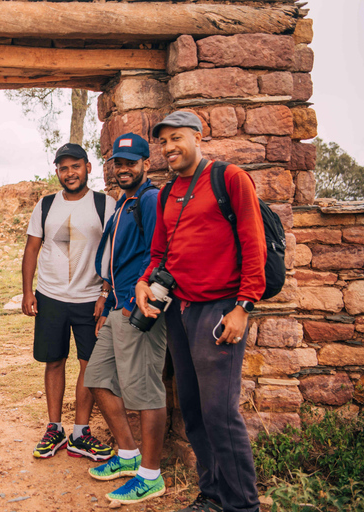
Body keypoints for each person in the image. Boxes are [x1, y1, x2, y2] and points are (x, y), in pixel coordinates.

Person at [135, 111, 266, 512]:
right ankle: (211, 495)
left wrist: (244, 307)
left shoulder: (229, 179)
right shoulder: (169, 191)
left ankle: (243, 505)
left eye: (176, 138)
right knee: (192, 411)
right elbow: (161, 252)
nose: (169, 147)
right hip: (180, 312)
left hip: (219, 311)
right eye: (163, 142)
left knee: (220, 414)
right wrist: (143, 282)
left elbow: (253, 245)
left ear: (197, 137)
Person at [84, 133, 168, 506]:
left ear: (146, 165)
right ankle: (129, 455)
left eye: (131, 162)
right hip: (117, 305)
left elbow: (161, 253)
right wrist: (105, 295)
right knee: (97, 378)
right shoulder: (124, 203)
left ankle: (150, 477)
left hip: (139, 310)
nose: (123, 168)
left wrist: (142, 290)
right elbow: (114, 257)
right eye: (118, 162)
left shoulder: (149, 200)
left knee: (145, 390)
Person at [21, 142, 117, 461]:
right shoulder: (46, 205)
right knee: (54, 361)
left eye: (75, 165)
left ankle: (80, 433)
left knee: (89, 365)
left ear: (88, 167)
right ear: (57, 172)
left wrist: (106, 293)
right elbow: (32, 249)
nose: (70, 172)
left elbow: (114, 252)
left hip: (91, 300)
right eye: (63, 168)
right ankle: (54, 428)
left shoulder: (106, 204)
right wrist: (27, 291)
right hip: (50, 297)